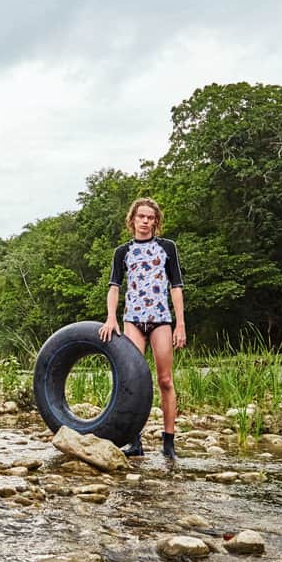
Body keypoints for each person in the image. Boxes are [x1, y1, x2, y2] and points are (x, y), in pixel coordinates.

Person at [98, 197, 186, 460]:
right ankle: (134, 442)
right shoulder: (122, 252)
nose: (145, 221)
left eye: (150, 217)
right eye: (141, 217)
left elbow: (176, 286)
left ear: (155, 221)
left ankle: (169, 444)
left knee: (165, 380)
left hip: (160, 319)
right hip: (133, 320)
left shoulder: (167, 248)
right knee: (132, 381)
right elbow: (114, 287)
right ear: (133, 220)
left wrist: (180, 323)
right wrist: (110, 317)